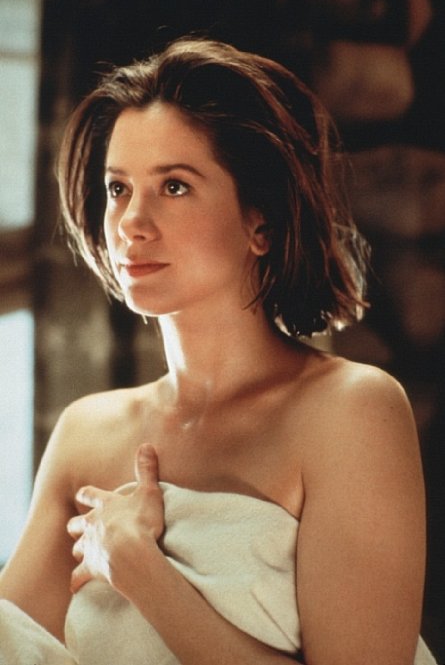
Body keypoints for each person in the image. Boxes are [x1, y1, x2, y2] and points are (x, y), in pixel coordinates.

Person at [0, 37, 437, 665]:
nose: (131, 222)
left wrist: (141, 571)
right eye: (118, 188)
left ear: (261, 222)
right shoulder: (85, 433)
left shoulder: (351, 410)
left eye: (174, 186)